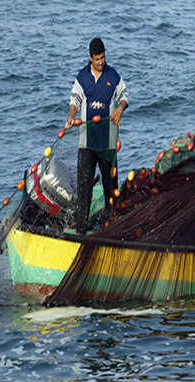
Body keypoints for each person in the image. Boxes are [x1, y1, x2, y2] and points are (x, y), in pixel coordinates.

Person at [65, 37, 129, 234]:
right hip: (87, 141)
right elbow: (74, 99)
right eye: (97, 59)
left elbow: (125, 96)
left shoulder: (113, 76)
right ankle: (81, 228)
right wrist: (71, 117)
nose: (101, 62)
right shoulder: (82, 77)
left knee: (111, 186)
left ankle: (113, 226)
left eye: (103, 58)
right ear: (90, 58)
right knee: (84, 186)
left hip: (108, 141)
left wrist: (120, 108)